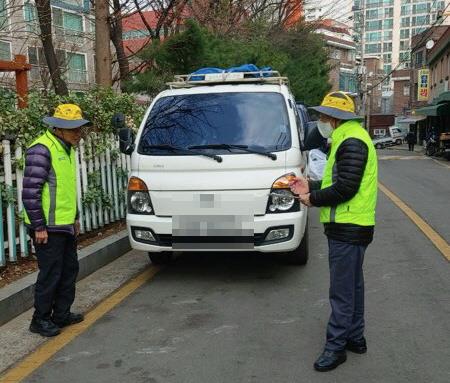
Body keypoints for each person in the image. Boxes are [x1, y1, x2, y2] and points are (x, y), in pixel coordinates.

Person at [289, 92, 378, 372]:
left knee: (341, 291)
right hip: (353, 225)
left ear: (335, 118)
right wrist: (310, 187)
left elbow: (345, 189)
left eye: (324, 116)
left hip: (348, 227)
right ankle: (355, 338)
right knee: (353, 285)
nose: (320, 121)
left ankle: (336, 347)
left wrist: (311, 200)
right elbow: (337, 181)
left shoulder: (351, 142)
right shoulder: (346, 139)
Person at [22, 104, 89, 337]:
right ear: (58, 129)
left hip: (64, 224)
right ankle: (39, 320)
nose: (78, 133)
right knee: (51, 274)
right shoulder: (41, 149)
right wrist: (39, 226)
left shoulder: (67, 149)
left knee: (69, 270)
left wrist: (75, 218)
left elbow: (66, 190)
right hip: (47, 228)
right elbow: (30, 192)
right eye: (73, 129)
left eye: (79, 128)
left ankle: (61, 314)